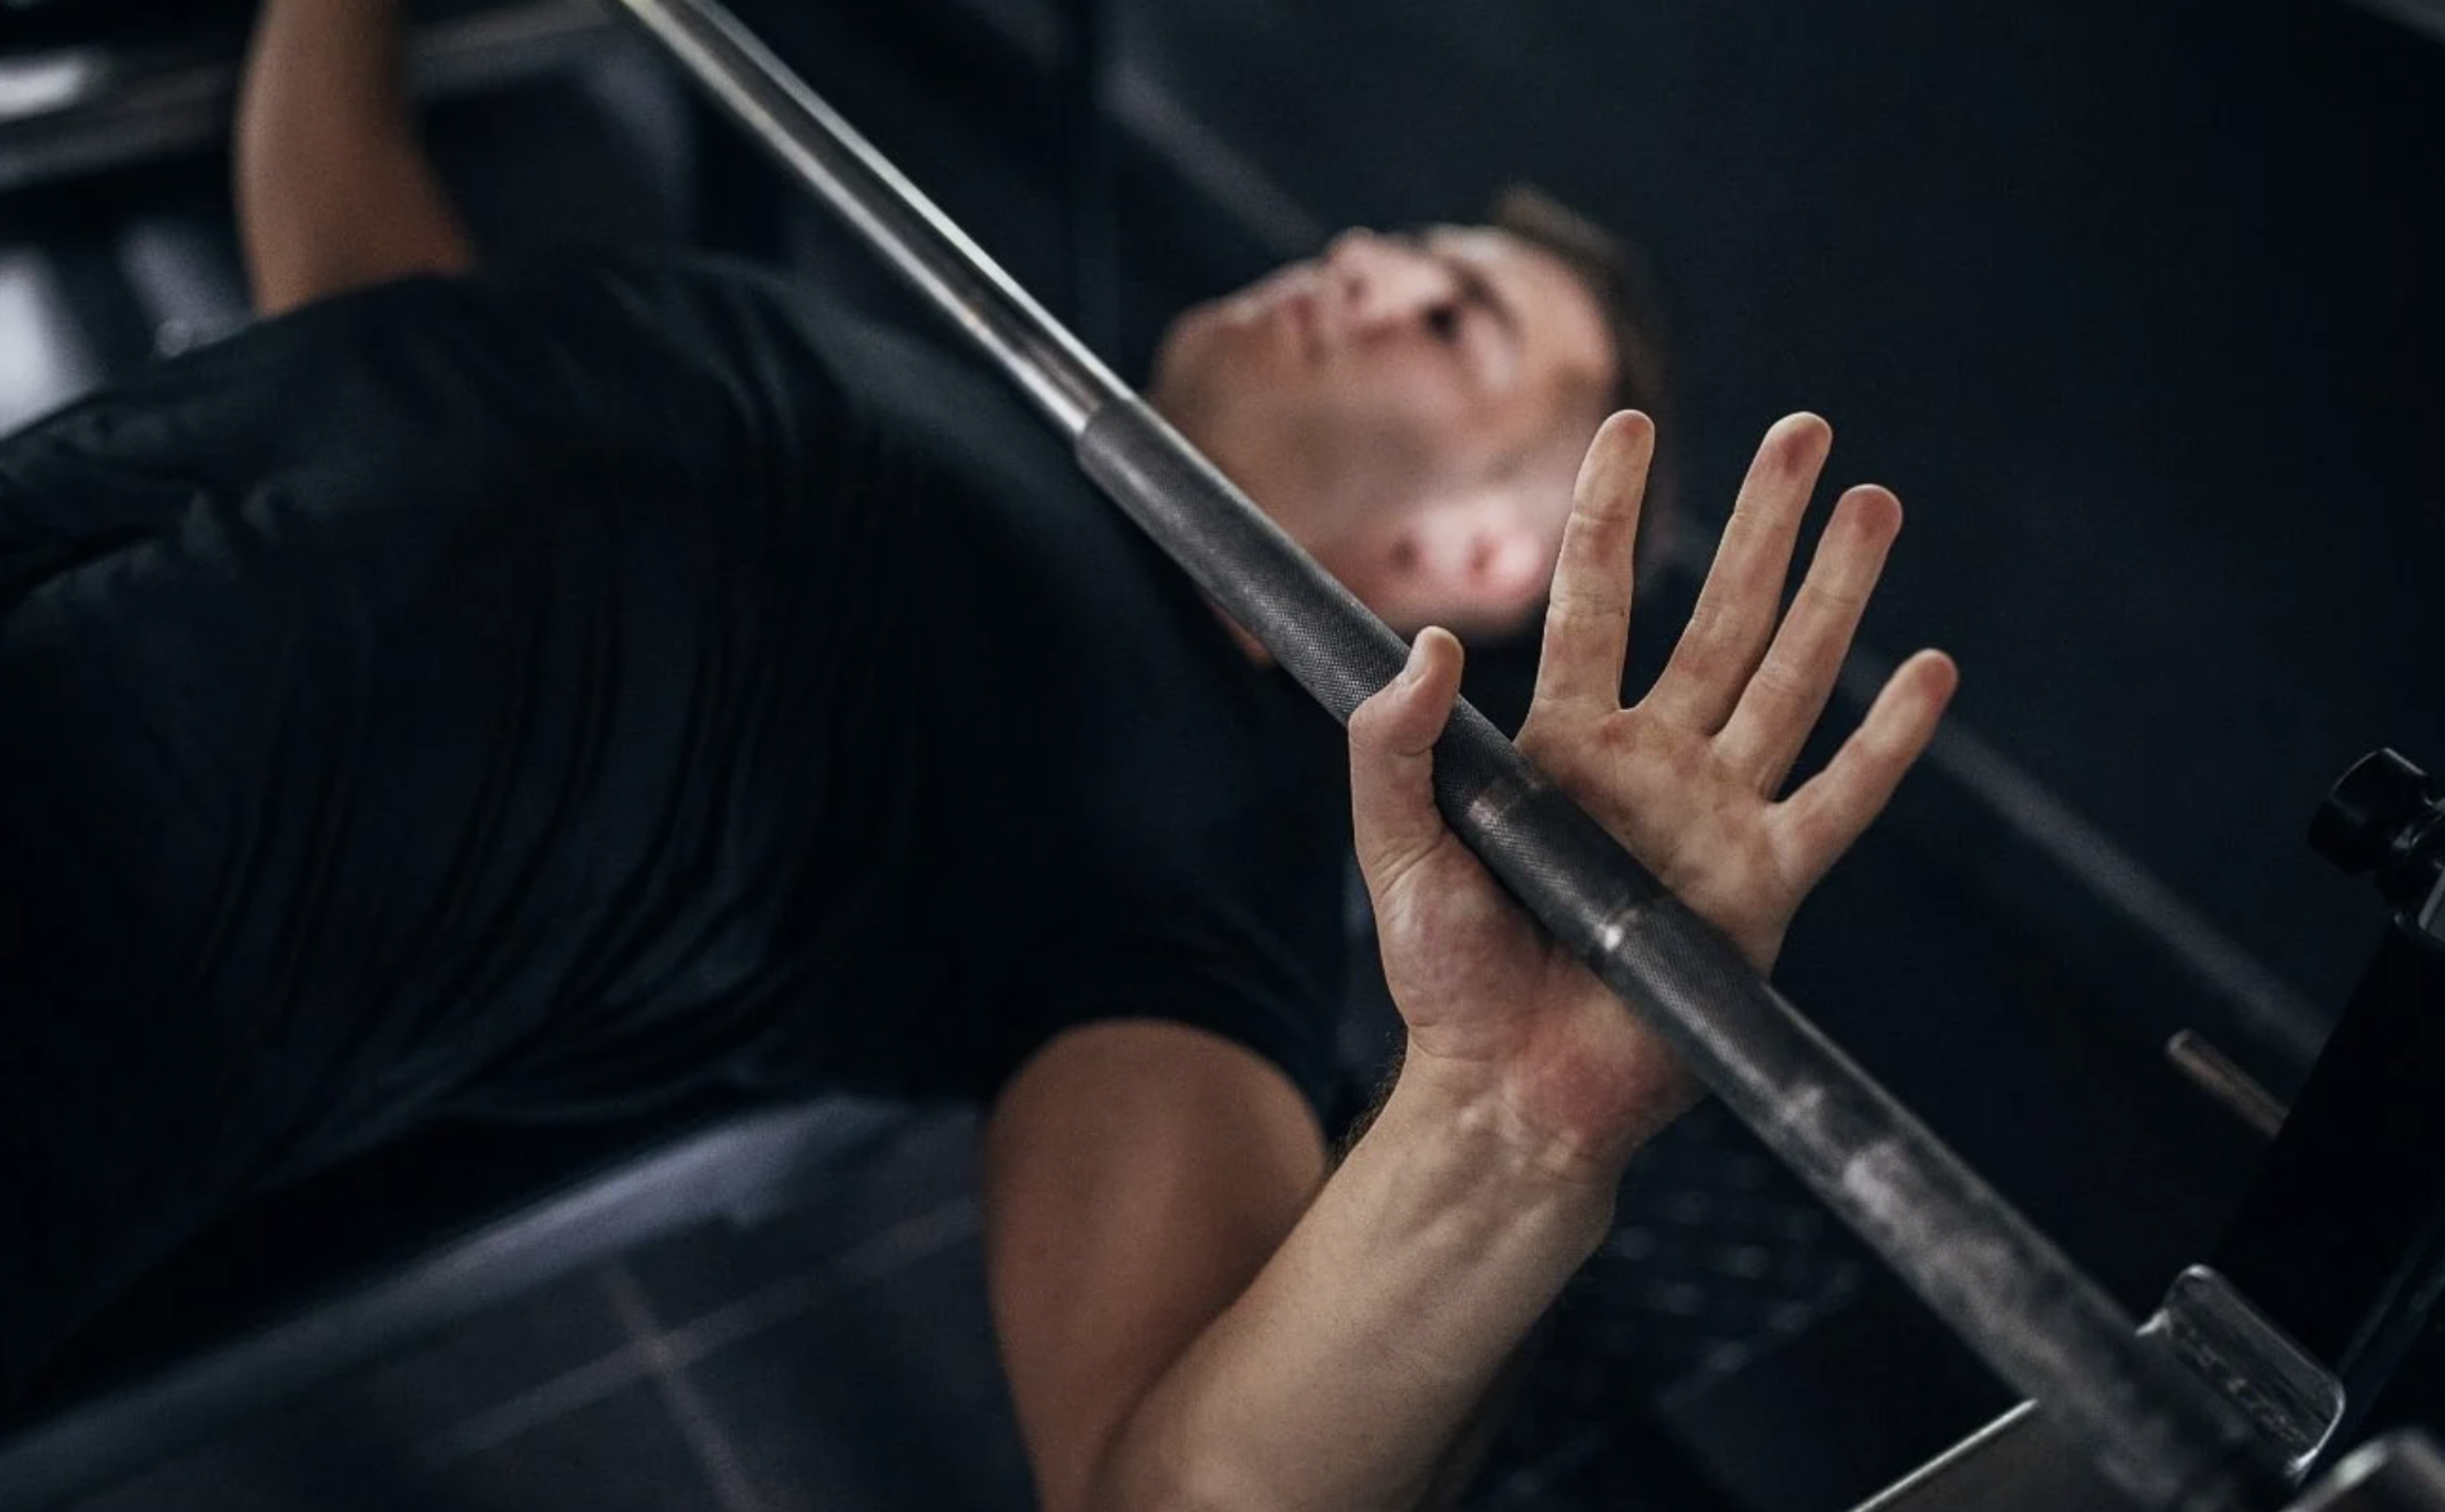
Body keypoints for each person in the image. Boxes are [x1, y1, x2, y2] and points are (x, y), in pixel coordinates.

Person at [0, 2, 1959, 1509]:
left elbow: (1175, 1484)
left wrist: (1510, 1126)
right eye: (1407, 244)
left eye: (1451, 322)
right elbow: (401, 335)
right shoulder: (948, 416)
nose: (1364, 258)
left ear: (1480, 559)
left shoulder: (1200, 836)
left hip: (99, 904)